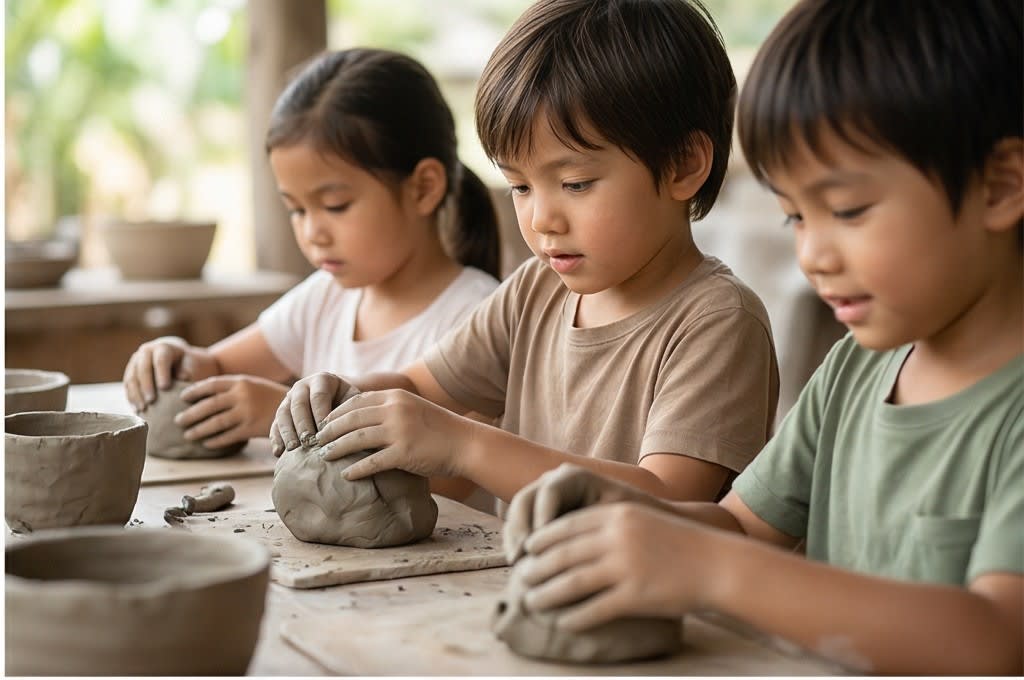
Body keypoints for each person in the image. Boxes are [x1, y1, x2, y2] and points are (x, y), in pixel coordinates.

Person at [499, 0, 1024, 674]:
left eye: (847, 211)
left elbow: (997, 637)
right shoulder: (855, 370)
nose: (813, 256)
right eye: (795, 218)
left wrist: (709, 569)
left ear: (1000, 187)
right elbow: (746, 526)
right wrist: (626, 516)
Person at [270, 0, 779, 507]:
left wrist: (464, 445)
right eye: (520, 186)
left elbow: (668, 498)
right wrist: (348, 394)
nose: (541, 219)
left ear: (682, 166)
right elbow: (417, 385)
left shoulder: (717, 322)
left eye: (575, 183)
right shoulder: (535, 290)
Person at [122, 48, 501, 453]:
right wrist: (175, 359)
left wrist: (281, 415)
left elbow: (455, 472)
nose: (311, 233)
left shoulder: (480, 317)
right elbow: (214, 367)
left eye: (335, 206)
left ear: (423, 188)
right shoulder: (324, 298)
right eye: (297, 210)